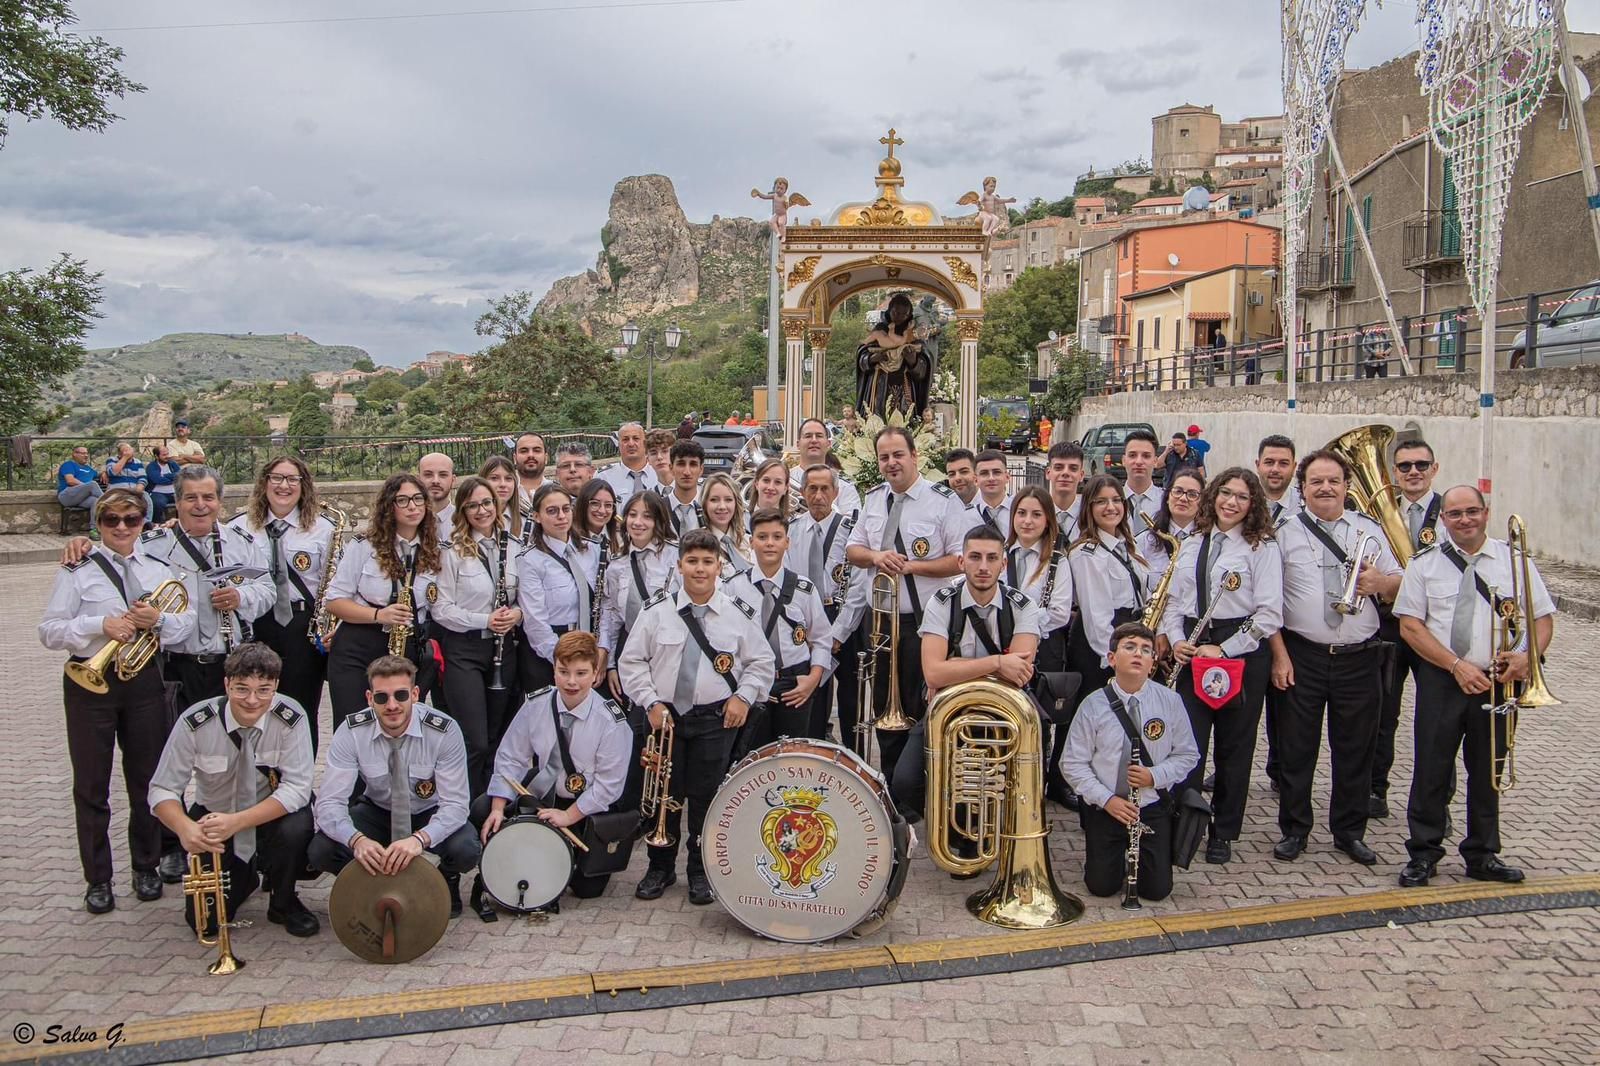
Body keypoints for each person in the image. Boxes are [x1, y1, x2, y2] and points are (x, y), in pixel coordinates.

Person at [39, 488, 197, 914]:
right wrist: (98, 625)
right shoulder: (78, 568)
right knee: (91, 786)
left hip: (143, 681)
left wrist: (159, 619)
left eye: (131, 520)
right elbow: (50, 630)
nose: (122, 528)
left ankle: (146, 866)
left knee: (147, 780)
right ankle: (98, 879)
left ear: (144, 523)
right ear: (100, 524)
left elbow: (185, 624)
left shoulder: (159, 568)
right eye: (112, 521)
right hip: (89, 680)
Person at [1394, 486, 1553, 888]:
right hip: (1443, 679)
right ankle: (1424, 853)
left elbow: (1542, 619)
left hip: (1497, 681)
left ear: (1486, 513)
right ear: (1443, 518)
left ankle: (1483, 854)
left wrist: (1524, 658)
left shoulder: (1513, 561)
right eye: (1455, 514)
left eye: (1472, 512)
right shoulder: (1425, 563)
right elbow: (1410, 626)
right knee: (1431, 769)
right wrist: (1455, 665)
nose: (1464, 520)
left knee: (1488, 773)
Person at [132, 464, 275, 880]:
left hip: (232, 668)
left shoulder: (240, 541)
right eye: (191, 497)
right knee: (174, 757)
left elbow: (266, 590)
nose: (200, 505)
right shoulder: (155, 544)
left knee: (245, 756)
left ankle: (248, 839)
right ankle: (172, 844)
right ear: (177, 502)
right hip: (181, 667)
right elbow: (123, 567)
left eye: (208, 497)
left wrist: (241, 596)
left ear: (220, 501)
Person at [618, 529, 775, 905]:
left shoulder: (737, 614)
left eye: (708, 561)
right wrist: (650, 702)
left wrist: (743, 697)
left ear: (720, 566)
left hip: (714, 719)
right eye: (692, 561)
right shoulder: (656, 612)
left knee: (707, 796)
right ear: (679, 565)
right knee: (664, 797)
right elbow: (632, 661)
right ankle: (660, 867)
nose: (700, 569)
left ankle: (700, 870)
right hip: (664, 719)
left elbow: (761, 662)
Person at [1269, 449, 1402, 866]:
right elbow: (1268, 602)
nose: (1325, 488)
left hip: (1360, 658)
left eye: (1333, 481)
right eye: (1315, 482)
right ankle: (1295, 829)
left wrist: (1382, 582)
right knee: (1296, 747)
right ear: (1302, 488)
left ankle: (1349, 831)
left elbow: (1403, 584)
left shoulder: (1370, 530)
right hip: (1302, 654)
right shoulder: (1283, 532)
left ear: (1347, 487)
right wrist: (1279, 656)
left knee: (1356, 748)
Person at [148, 643, 319, 937]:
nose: (252, 700)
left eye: (263, 690)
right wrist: (185, 829)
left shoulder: (290, 716)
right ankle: (246, 877)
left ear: (275, 686)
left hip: (267, 815)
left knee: (298, 825)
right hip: (216, 816)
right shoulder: (195, 722)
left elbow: (297, 789)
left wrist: (238, 822)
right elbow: (162, 789)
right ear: (226, 684)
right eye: (242, 689)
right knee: (206, 924)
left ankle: (284, 900)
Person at [1162, 469, 1282, 865]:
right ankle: (1187, 824)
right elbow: (1175, 603)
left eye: (1242, 497)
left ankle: (1223, 832)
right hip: (1194, 648)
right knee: (1189, 745)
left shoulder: (1260, 547)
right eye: (1225, 493)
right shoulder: (1192, 542)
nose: (1231, 502)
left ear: (1253, 506)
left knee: (1235, 748)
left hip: (1240, 652)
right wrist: (1177, 640)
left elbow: (1268, 615)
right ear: (1212, 496)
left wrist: (1225, 649)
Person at [471, 632, 633, 916]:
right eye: (563, 672)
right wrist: (499, 807)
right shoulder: (536, 704)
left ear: (596, 673)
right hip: (543, 795)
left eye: (581, 673)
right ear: (553, 669)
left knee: (587, 890)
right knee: (483, 807)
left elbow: (610, 785)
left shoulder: (611, 722)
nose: (571, 682)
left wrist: (568, 817)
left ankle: (553, 855)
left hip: (585, 807)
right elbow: (511, 756)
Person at [307, 655, 480, 917]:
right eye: (381, 698)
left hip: (427, 812)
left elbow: (455, 806)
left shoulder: (444, 730)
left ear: (415, 694)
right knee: (321, 850)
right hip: (378, 809)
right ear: (369, 698)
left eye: (401, 695)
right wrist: (357, 841)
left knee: (465, 849)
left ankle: (446, 879)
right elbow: (329, 803)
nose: (392, 705)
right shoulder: (352, 731)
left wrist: (419, 840)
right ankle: (368, 882)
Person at [845, 426, 971, 778]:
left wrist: (909, 565)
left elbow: (959, 559)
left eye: (898, 455)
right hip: (881, 620)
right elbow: (853, 550)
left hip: (924, 623)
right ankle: (891, 781)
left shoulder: (942, 501)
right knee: (885, 699)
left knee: (922, 702)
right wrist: (875, 557)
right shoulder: (873, 499)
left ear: (915, 456)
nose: (891, 463)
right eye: (884, 457)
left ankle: (921, 781)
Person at [897, 524, 1041, 816]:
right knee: (905, 782)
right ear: (961, 562)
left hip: (1004, 713)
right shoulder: (940, 602)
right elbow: (933, 675)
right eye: (975, 557)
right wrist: (999, 662)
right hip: (951, 712)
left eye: (991, 558)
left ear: (1004, 564)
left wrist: (956, 667)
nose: (983, 567)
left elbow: (1020, 675)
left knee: (1024, 784)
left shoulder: (1024, 606)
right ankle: (955, 821)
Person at [1062, 622, 1199, 903]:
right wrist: (1107, 799)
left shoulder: (1170, 701)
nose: (1138, 653)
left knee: (1157, 891)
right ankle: (1109, 857)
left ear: (1152, 664)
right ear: (1112, 659)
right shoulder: (1092, 705)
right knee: (1101, 886)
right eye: (1129, 647)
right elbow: (1072, 763)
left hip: (1150, 806)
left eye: (1146, 650)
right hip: (1107, 808)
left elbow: (1188, 754)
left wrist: (1154, 776)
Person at [227, 456, 337, 740]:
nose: (284, 486)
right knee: (254, 706)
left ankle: (299, 781)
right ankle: (261, 778)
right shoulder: (238, 528)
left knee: (301, 709)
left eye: (292, 479)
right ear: (265, 483)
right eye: (276, 478)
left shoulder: (323, 529)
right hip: (255, 625)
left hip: (302, 626)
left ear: (304, 486)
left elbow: (335, 583)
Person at [322, 473, 443, 728]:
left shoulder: (436, 549)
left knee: (400, 728)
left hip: (408, 647)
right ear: (389, 506)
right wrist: (379, 615)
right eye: (403, 500)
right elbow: (334, 601)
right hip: (359, 646)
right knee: (353, 727)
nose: (412, 506)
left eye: (418, 499)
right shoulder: (365, 546)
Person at [432, 477, 522, 798]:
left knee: (497, 738)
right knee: (475, 740)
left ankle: (491, 807)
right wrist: (485, 619)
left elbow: (523, 597)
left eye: (487, 503)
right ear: (463, 511)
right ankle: (462, 808)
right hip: (464, 650)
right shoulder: (452, 551)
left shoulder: (513, 546)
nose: (481, 511)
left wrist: (517, 615)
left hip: (503, 650)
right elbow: (441, 609)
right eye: (472, 505)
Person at [1372, 438, 1445, 819]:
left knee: (1437, 719)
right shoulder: (1379, 513)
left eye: (1420, 465)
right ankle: (1375, 790)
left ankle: (1437, 803)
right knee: (1382, 712)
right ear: (1394, 473)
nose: (1413, 472)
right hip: (1389, 623)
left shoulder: (1450, 512)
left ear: (1434, 469)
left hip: (1436, 629)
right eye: (1404, 467)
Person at [725, 508, 832, 745]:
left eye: (776, 537)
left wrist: (812, 680)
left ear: (787, 542)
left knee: (792, 756)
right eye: (762, 537)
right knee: (751, 755)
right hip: (750, 681)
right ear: (751, 542)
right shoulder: (732, 588)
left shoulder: (804, 589)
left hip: (794, 683)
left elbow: (822, 639)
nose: (769, 544)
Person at [787, 465, 866, 743]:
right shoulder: (793, 531)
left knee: (850, 701)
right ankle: (814, 753)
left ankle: (852, 760)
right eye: (812, 489)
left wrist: (839, 633)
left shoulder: (851, 530)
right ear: (804, 492)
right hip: (806, 622)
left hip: (842, 617)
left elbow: (859, 586)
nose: (818, 495)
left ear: (835, 492)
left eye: (824, 489)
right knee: (813, 698)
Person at [1067, 475, 1153, 705]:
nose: (1111, 507)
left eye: (1117, 500)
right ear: (1089, 507)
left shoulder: (1128, 545)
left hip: (1129, 634)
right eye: (1101, 501)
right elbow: (1097, 616)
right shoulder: (1087, 553)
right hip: (1102, 647)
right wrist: (1114, 659)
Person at [516, 483, 602, 696]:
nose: (561, 516)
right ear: (537, 516)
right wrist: (563, 661)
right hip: (551, 653)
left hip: (588, 645)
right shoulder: (530, 560)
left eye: (566, 509)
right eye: (552, 511)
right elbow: (535, 621)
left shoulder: (591, 550)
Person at [856, 293, 931, 419]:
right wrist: (872, 359)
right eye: (896, 312)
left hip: (904, 384)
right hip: (879, 383)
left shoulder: (912, 335)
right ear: (889, 311)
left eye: (904, 314)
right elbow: (862, 355)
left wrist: (913, 362)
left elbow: (924, 368)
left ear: (909, 315)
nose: (899, 317)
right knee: (876, 418)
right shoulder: (880, 330)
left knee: (904, 419)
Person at [790, 418, 861, 515]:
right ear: (798, 444)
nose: (814, 440)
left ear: (828, 444)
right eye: (808, 436)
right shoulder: (785, 480)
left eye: (819, 436)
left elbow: (851, 526)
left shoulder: (845, 487)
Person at [1141, 468, 1203, 581]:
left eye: (1192, 494)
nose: (1183, 498)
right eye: (1178, 491)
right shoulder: (1144, 541)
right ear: (1167, 497)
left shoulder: (1208, 543)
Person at [700, 473, 753, 579]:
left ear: (736, 503)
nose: (722, 506)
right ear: (705, 504)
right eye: (714, 500)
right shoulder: (698, 545)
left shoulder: (749, 541)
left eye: (728, 499)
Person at [599, 422, 661, 498]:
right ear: (618, 444)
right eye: (625, 439)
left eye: (636, 439)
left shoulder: (659, 473)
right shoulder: (604, 477)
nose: (631, 444)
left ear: (645, 443)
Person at [1120, 430, 1164, 536]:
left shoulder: (1166, 501)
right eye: (1132, 455)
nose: (1139, 461)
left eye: (1146, 456)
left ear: (1155, 461)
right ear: (1123, 460)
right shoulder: (1112, 500)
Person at [478, 454, 528, 544]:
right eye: (494, 478)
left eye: (508, 478)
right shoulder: (470, 518)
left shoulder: (526, 521)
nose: (503, 484)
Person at [56, 444, 104, 536]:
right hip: (67, 496)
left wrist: (104, 473)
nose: (86, 455)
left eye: (86, 453)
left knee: (96, 501)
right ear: (74, 454)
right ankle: (111, 503)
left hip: (81, 499)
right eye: (82, 453)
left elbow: (99, 475)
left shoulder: (89, 469)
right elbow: (70, 481)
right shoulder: (68, 465)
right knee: (92, 484)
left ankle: (94, 529)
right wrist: (87, 487)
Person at [1255, 434, 1302, 528]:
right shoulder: (1242, 502)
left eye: (1283, 463)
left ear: (1293, 468)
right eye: (1269, 462)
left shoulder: (1307, 505)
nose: (1275, 469)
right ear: (1258, 465)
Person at [664, 440, 706, 535]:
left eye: (693, 464)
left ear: (701, 470)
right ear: (671, 468)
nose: (687, 472)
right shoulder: (658, 509)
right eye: (681, 464)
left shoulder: (710, 508)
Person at [1046, 441, 1087, 534]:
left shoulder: (1090, 514)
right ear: (1048, 473)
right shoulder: (1037, 512)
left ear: (1081, 475)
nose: (1065, 473)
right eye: (1058, 467)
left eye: (1073, 468)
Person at [104, 442, 151, 523]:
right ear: (119, 453)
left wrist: (139, 488)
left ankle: (146, 523)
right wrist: (124, 458)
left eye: (129, 449)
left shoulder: (137, 462)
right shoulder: (112, 460)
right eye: (125, 451)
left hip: (134, 489)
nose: (128, 452)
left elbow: (142, 478)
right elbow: (113, 472)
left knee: (146, 497)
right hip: (117, 489)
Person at [973, 449, 1014, 537]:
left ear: (1007, 477)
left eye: (996, 472)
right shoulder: (968, 515)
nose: (991, 478)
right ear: (975, 480)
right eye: (984, 473)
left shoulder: (1019, 509)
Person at [418, 452, 457, 539]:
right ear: (418, 479)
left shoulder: (465, 520)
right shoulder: (408, 522)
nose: (435, 481)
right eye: (428, 474)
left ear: (453, 480)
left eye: (443, 475)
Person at [744, 457, 793, 526]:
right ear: (756, 483)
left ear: (785, 488)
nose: (771, 487)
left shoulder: (793, 525)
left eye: (778, 482)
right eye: (766, 480)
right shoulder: (740, 518)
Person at [513, 432, 548, 515]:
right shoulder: (504, 493)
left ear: (546, 458)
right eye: (524, 451)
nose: (531, 455)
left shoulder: (557, 492)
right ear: (514, 458)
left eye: (537, 450)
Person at [146, 445, 181, 522]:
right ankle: (157, 525)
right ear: (156, 456)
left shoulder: (172, 464)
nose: (167, 456)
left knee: (187, 501)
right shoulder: (151, 466)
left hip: (174, 492)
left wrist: (165, 476)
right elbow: (157, 480)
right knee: (157, 504)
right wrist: (172, 478)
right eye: (164, 455)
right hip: (158, 493)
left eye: (167, 454)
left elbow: (180, 475)